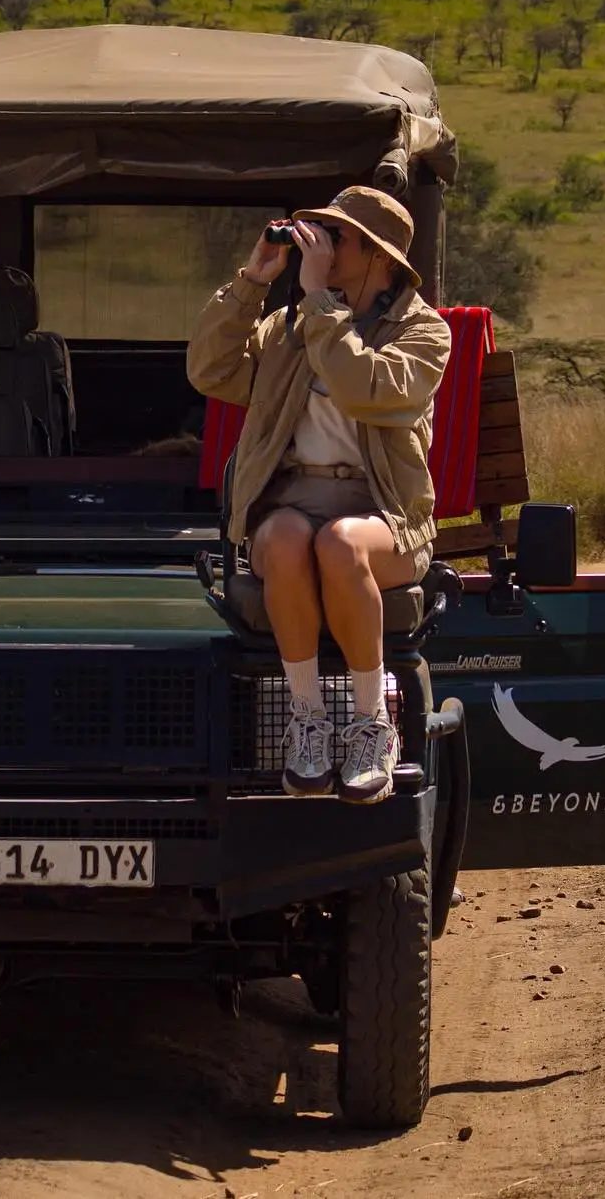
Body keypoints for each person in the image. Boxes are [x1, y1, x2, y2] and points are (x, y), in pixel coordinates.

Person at [187, 186, 451, 803]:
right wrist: (253, 282)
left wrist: (318, 301)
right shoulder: (289, 327)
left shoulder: (423, 333)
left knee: (339, 543)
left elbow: (366, 389)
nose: (323, 247)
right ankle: (307, 720)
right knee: (280, 537)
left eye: (338, 237)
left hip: (385, 513)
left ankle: (369, 723)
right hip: (295, 500)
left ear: (380, 256)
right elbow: (210, 370)